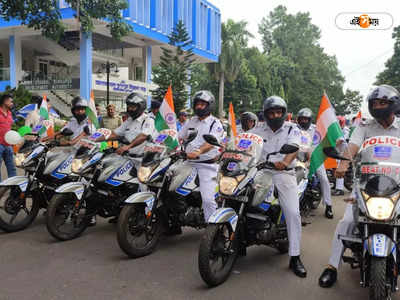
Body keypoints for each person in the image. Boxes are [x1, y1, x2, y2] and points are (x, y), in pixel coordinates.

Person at [318, 84, 400, 288]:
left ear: (393, 105)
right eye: (375, 103)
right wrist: (343, 164)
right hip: (366, 183)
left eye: (382, 103)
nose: (378, 106)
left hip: (396, 183)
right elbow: (352, 148)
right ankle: (332, 267)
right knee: (346, 222)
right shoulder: (364, 126)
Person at [250, 96, 306, 278]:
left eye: (278, 112)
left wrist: (284, 161)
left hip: (283, 173)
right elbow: (245, 144)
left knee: (292, 212)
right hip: (260, 171)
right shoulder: (258, 129)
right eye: (271, 112)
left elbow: (295, 148)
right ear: (265, 114)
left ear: (283, 113)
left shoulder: (292, 128)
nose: (275, 115)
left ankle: (295, 256)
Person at [178, 90, 224, 224]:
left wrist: (198, 152)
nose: (199, 106)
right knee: (167, 182)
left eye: (202, 104)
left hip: (206, 165)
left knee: (208, 199)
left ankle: (212, 230)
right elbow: (179, 137)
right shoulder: (191, 121)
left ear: (209, 105)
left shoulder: (215, 123)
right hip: (187, 162)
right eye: (197, 104)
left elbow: (211, 142)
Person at [297, 108, 333, 219]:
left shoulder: (316, 129)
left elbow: (327, 136)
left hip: (315, 158)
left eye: (306, 119)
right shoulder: (294, 129)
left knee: (323, 178)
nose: (303, 121)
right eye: (301, 119)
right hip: (298, 158)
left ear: (310, 119)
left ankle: (329, 205)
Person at [331, 116, 350, 196]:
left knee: (339, 167)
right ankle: (335, 184)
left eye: (339, 123)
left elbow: (340, 141)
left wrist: (331, 146)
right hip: (336, 153)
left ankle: (339, 189)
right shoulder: (334, 130)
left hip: (344, 154)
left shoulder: (346, 130)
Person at [0, 94, 16, 182]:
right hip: (0, 144)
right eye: (11, 101)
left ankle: (14, 188)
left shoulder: (10, 113)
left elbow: (9, 128)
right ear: (5, 101)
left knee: (12, 168)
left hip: (8, 145)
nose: (12, 103)